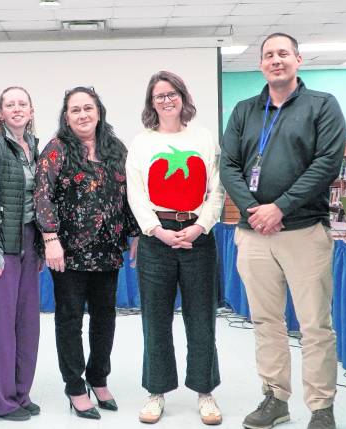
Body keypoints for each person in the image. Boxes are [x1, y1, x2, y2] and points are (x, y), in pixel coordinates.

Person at [219, 33, 346, 429]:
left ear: (298, 60)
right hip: (254, 233)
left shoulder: (321, 106)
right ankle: (275, 398)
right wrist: (255, 209)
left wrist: (281, 207)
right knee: (266, 322)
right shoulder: (244, 110)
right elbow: (229, 166)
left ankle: (321, 407)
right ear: (261, 64)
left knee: (314, 325)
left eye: (283, 54)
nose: (276, 60)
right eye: (269, 55)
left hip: (304, 231)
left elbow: (327, 163)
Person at [126, 70, 225, 425]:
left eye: (172, 94)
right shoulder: (141, 143)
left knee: (202, 318)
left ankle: (205, 391)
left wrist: (200, 227)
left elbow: (216, 190)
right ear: (151, 103)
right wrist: (156, 230)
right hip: (157, 239)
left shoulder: (202, 137)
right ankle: (156, 391)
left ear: (182, 97)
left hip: (198, 237)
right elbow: (135, 193)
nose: (166, 100)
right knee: (155, 319)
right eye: (159, 96)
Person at [34, 86, 139, 420]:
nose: (82, 114)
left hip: (108, 249)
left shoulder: (115, 147)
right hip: (68, 252)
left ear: (99, 111)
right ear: (66, 116)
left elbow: (131, 192)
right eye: (75, 110)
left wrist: (134, 233)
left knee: (105, 317)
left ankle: (98, 377)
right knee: (70, 320)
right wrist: (50, 239)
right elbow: (43, 194)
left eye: (88, 108)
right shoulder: (57, 149)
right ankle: (75, 385)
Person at [0, 87, 41, 421]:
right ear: (0, 113)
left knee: (28, 325)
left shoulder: (35, 147)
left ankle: (20, 392)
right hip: (3, 245)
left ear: (31, 111)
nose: (16, 108)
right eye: (9, 104)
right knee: (1, 327)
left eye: (22, 103)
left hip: (31, 243)